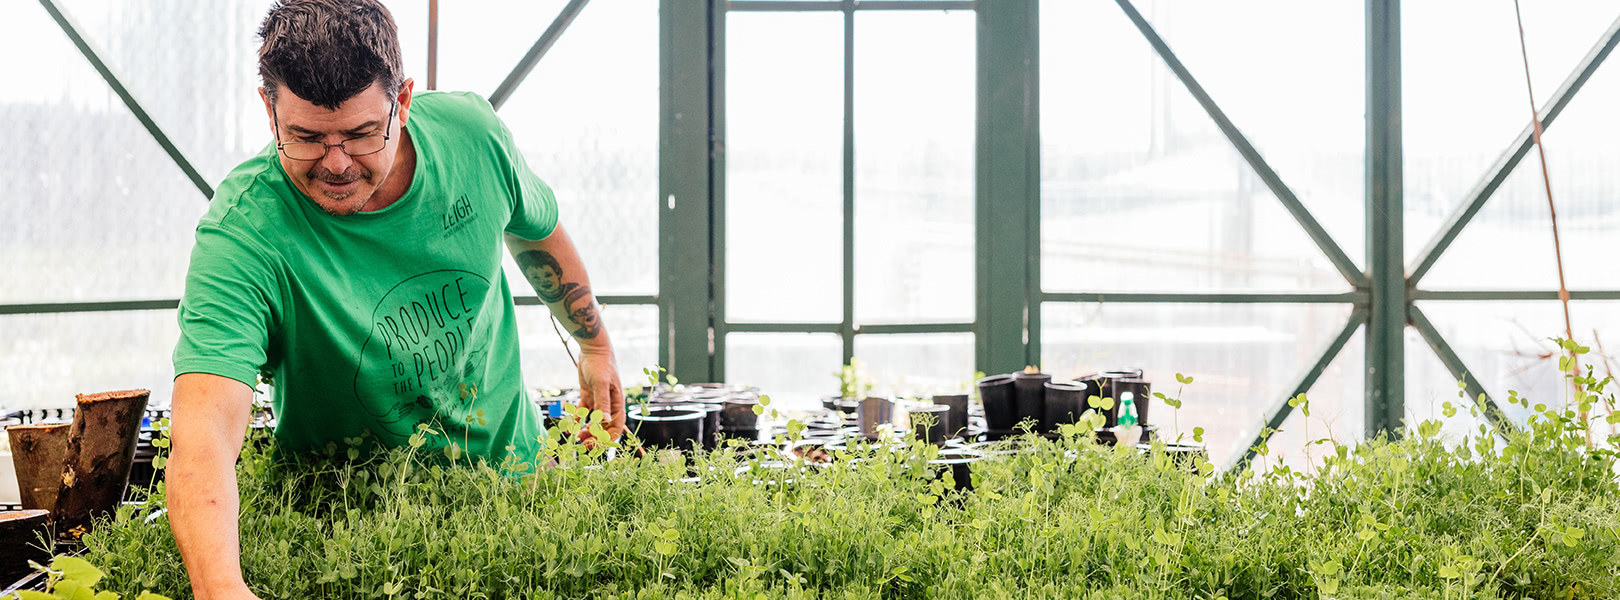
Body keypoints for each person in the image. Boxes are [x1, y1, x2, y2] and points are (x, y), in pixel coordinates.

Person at [164, 1, 625, 598]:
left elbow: (535, 229)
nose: (335, 164)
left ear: (402, 101)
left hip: (518, 496)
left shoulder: (472, 139)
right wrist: (221, 587)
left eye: (359, 134)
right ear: (269, 110)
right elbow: (204, 429)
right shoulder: (245, 232)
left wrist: (595, 344)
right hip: (347, 542)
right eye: (304, 137)